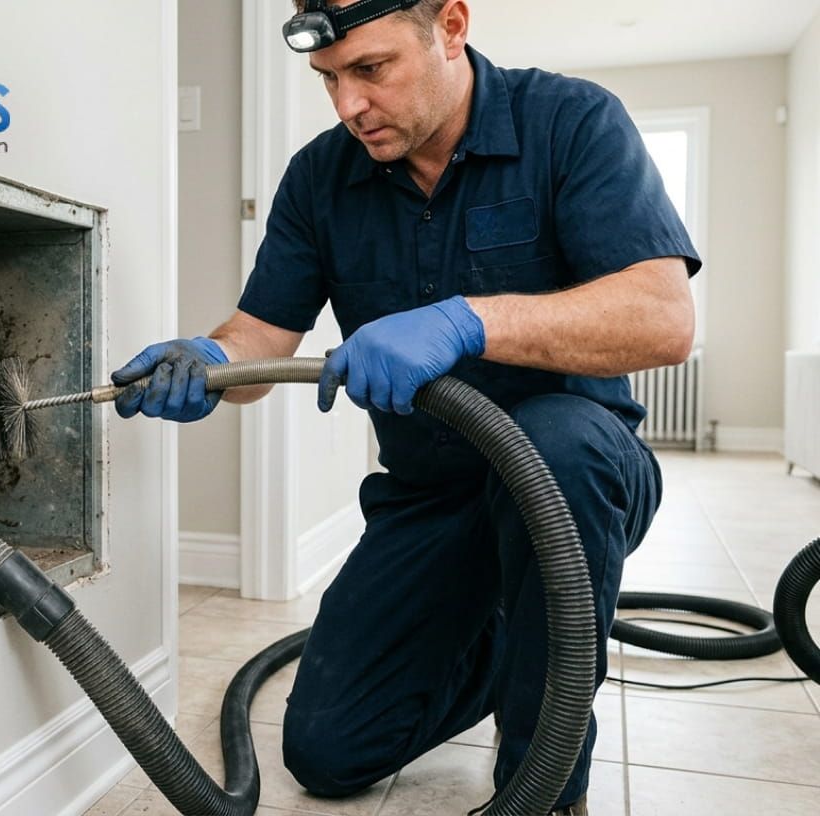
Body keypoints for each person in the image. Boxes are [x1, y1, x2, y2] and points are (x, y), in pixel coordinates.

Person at [111, 1, 700, 814]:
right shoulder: (321, 177)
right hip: (429, 497)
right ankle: (514, 638)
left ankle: (546, 782)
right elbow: (259, 341)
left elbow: (663, 319)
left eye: (371, 70)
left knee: (554, 446)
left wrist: (470, 320)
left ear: (451, 25)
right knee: (328, 749)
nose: (348, 105)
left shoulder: (569, 121)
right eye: (328, 79)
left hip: (576, 477)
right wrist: (211, 361)